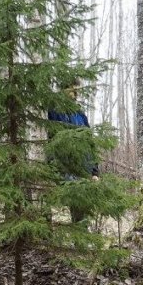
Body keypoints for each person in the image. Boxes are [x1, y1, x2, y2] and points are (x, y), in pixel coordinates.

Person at [47, 88, 99, 224]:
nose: (75, 93)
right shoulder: (53, 111)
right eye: (72, 89)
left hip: (84, 168)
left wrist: (95, 171)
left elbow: (90, 142)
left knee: (83, 207)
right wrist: (53, 165)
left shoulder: (80, 113)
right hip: (66, 165)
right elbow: (50, 139)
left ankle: (82, 239)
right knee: (74, 200)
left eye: (76, 90)